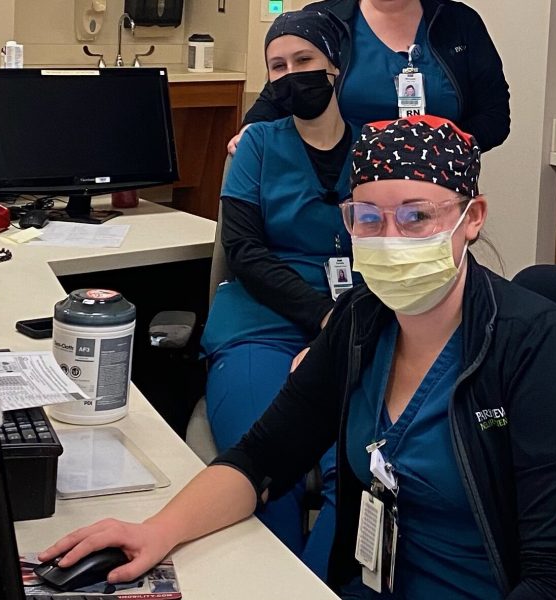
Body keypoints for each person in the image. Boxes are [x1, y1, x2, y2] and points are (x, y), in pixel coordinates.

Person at [39, 116, 556, 599]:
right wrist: (155, 531)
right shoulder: (362, 321)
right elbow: (261, 458)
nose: (390, 239)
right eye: (369, 218)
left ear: (472, 219)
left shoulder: (537, 346)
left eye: (416, 217)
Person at [199, 9, 356, 578]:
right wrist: (322, 317)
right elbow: (244, 251)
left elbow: (392, 251)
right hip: (258, 325)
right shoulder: (257, 146)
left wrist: (341, 329)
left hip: (354, 329)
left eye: (304, 60)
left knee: (357, 474)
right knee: (266, 469)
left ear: (336, 66)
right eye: (278, 66)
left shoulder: (376, 149)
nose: (292, 75)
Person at [228, 0, 510, 155]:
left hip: (438, 191)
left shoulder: (460, 23)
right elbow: (279, 94)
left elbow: (495, 116)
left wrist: (441, 150)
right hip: (340, 185)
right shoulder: (325, 20)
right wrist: (251, 130)